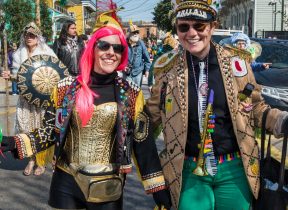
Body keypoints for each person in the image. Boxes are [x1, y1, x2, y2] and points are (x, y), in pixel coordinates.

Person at [146, 0, 288, 209]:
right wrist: (154, 179)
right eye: (183, 26)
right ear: (177, 29)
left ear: (213, 26)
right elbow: (147, 124)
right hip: (187, 171)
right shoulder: (166, 70)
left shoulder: (237, 64)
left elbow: (258, 110)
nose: (191, 33)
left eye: (199, 26)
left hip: (235, 169)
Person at [0, 14, 171, 210]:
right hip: (65, 181)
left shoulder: (131, 93)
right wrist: (14, 142)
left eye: (117, 48)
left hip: (107, 187)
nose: (111, 52)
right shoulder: (66, 88)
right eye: (104, 45)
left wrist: (158, 191)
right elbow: (51, 130)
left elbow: (143, 143)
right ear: (92, 48)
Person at [1, 22, 56, 176]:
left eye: (32, 35)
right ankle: (31, 160)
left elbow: (53, 75)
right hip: (25, 98)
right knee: (26, 127)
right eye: (27, 35)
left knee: (40, 129)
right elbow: (19, 77)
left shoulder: (47, 52)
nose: (29, 38)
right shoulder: (19, 54)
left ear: (38, 38)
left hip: (42, 98)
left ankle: (41, 161)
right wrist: (10, 76)